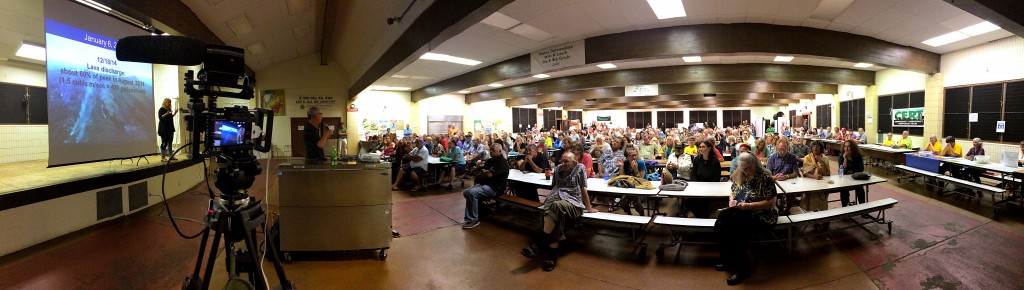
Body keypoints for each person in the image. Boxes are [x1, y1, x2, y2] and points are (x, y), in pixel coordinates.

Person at [520, 151, 598, 271]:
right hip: (554, 199)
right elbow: (554, 186)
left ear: (574, 162)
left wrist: (588, 208)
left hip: (573, 202)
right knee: (554, 214)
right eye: (562, 160)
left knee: (555, 207)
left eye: (566, 161)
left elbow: (583, 189)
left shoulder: (580, 168)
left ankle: (540, 243)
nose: (563, 163)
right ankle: (552, 255)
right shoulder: (557, 169)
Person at [716, 152, 779, 286]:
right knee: (720, 222)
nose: (745, 171)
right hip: (741, 211)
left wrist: (748, 206)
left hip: (762, 214)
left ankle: (742, 269)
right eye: (742, 168)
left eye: (747, 168)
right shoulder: (741, 175)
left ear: (755, 165)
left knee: (737, 230)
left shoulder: (765, 178)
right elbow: (732, 192)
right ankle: (727, 260)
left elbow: (771, 202)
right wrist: (732, 200)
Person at [462, 143, 510, 229]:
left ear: (499, 151)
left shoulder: (502, 162)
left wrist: (484, 173)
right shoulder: (490, 160)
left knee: (472, 193)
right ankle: (485, 211)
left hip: (495, 188)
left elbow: (488, 174)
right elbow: (481, 172)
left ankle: (473, 220)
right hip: (486, 184)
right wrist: (484, 172)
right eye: (490, 149)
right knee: (466, 192)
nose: (490, 152)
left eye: (493, 150)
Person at [687, 140, 722, 218]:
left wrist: (708, 186)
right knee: (688, 200)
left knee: (702, 201)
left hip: (711, 187)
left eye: (703, 147)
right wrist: (697, 184)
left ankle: (701, 218)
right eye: (700, 147)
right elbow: (693, 174)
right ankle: (701, 217)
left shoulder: (715, 161)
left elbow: (717, 177)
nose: (701, 149)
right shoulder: (697, 159)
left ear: (709, 148)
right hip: (698, 185)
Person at [800, 141, 831, 218]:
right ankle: (813, 217)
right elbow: (805, 172)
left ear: (821, 148)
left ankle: (824, 218)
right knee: (812, 201)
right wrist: (814, 176)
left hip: (822, 182)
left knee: (822, 200)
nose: (815, 148)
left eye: (817, 146)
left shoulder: (825, 158)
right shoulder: (807, 157)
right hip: (810, 182)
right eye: (814, 146)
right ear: (811, 148)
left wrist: (820, 160)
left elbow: (826, 173)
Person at [837, 140, 868, 209]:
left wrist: (850, 172)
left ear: (853, 148)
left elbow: (860, 169)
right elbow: (841, 172)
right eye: (845, 146)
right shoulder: (841, 156)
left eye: (849, 147)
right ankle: (845, 209)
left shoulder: (858, 156)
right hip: (845, 180)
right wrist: (845, 159)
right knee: (844, 190)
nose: (846, 148)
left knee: (860, 189)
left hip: (856, 179)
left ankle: (863, 209)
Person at [616, 147, 645, 215]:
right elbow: (622, 178)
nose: (634, 157)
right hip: (629, 187)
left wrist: (635, 170)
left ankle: (643, 216)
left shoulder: (640, 163)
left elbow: (641, 180)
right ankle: (629, 214)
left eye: (635, 155)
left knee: (636, 203)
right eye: (632, 156)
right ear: (627, 157)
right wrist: (622, 167)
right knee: (623, 203)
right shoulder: (625, 163)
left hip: (640, 187)